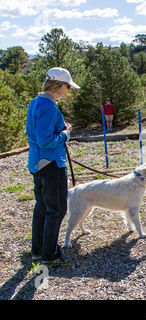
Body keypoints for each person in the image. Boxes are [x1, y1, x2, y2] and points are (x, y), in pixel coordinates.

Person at [26, 67, 80, 265]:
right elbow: (45, 140)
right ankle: (50, 254)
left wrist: (59, 127)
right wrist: (65, 134)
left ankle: (38, 251)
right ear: (58, 85)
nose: (68, 91)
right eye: (68, 86)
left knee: (42, 206)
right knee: (56, 209)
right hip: (51, 163)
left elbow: (38, 134)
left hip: (37, 163)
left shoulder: (36, 103)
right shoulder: (49, 107)